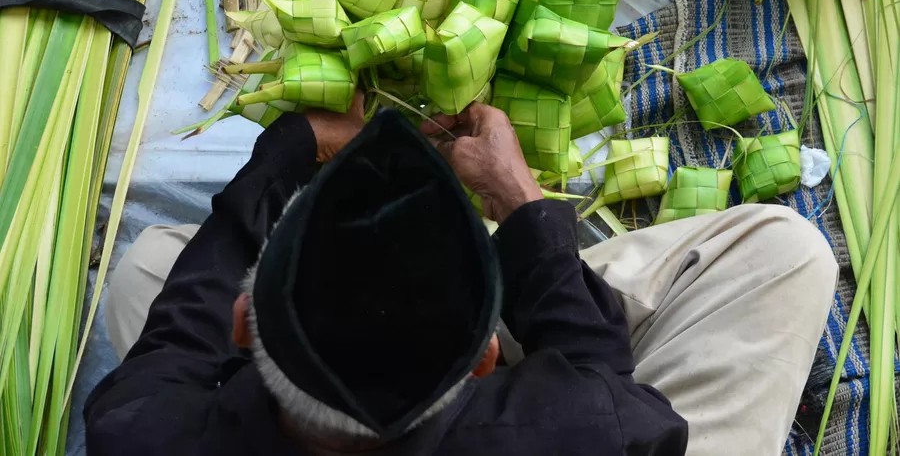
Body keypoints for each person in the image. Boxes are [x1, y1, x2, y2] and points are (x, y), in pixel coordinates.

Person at [85, 97, 837, 456]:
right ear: (484, 359)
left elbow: (185, 320)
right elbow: (605, 380)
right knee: (789, 251)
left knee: (147, 269)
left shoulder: (141, 432)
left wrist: (296, 143)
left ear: (246, 321)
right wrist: (519, 202)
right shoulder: (565, 429)